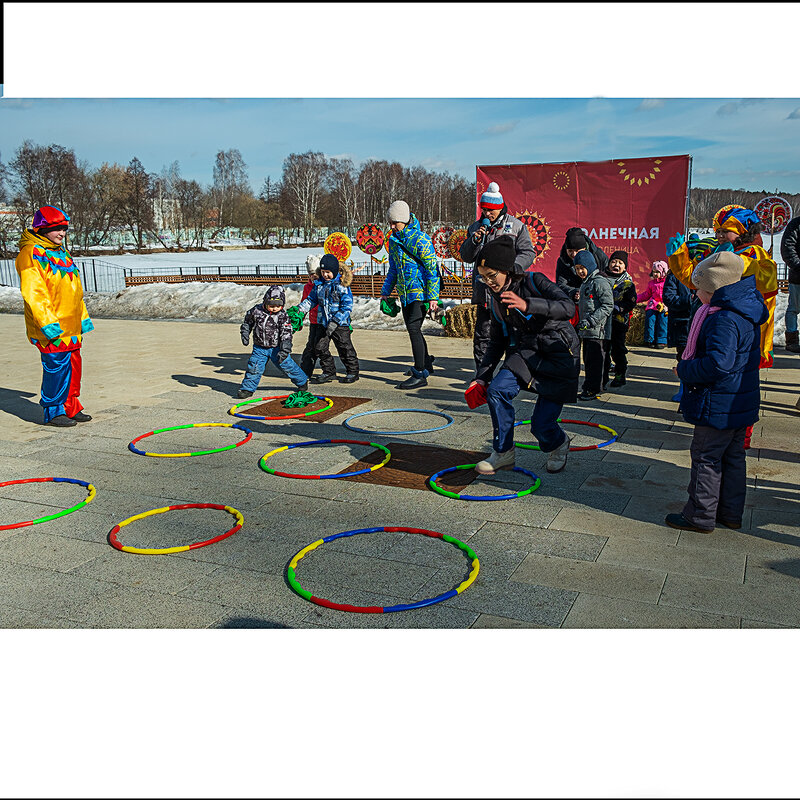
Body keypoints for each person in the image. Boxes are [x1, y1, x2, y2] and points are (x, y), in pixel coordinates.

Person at [664, 251, 767, 533]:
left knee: (706, 457)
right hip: (738, 401)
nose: (696, 293)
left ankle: (699, 515)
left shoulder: (724, 319)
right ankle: (730, 514)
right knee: (733, 458)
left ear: (715, 289)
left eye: (701, 288)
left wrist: (685, 370)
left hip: (718, 402)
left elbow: (718, 364)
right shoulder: (744, 309)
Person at [466, 235, 580, 475]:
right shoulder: (495, 299)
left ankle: (558, 444)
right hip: (527, 350)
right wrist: (482, 377)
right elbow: (496, 341)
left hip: (559, 351)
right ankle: (503, 451)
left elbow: (568, 307)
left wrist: (528, 304)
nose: (488, 282)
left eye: (492, 275)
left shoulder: (534, 281)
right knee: (497, 390)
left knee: (541, 426)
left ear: (506, 269)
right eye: (483, 277)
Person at [667, 207, 778, 367]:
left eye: (725, 231)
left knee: (727, 360)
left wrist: (734, 261)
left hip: (733, 317)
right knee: (705, 355)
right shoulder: (712, 252)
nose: (719, 235)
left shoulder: (754, 252)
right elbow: (694, 278)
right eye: (717, 231)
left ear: (743, 231)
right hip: (707, 314)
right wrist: (678, 256)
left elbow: (767, 279)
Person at [15, 206, 94, 427]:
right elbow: (34, 293)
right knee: (56, 369)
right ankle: (54, 411)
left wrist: (82, 318)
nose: (62, 234)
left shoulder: (61, 252)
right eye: (56, 229)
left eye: (64, 229)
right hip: (52, 326)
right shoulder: (31, 253)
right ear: (42, 229)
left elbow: (74, 289)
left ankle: (70, 406)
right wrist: (49, 324)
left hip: (72, 326)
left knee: (73, 367)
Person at [458, 182, 535, 369]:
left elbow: (528, 252)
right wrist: (474, 241)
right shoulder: (475, 227)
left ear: (500, 208)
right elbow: (466, 256)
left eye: (491, 210)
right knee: (483, 335)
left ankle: (510, 372)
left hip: (507, 290)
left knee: (510, 333)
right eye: (484, 209)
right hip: (484, 291)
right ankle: (482, 374)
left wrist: (514, 268)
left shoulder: (516, 226)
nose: (487, 214)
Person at [380, 200, 440, 389]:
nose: (391, 226)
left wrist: (433, 297)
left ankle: (419, 373)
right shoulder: (393, 240)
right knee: (414, 330)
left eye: (394, 222)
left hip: (420, 294)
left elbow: (432, 269)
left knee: (414, 330)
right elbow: (394, 269)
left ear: (404, 221)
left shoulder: (420, 240)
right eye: (390, 222)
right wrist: (386, 291)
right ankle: (426, 363)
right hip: (404, 294)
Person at [293, 253, 359, 384]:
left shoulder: (341, 286)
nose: (325, 275)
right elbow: (311, 300)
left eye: (328, 272)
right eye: (323, 272)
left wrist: (336, 321)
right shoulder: (319, 285)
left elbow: (347, 306)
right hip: (323, 323)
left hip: (340, 324)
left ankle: (352, 371)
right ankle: (329, 371)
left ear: (334, 271)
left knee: (344, 348)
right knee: (319, 347)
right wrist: (300, 309)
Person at [238, 286, 311, 400]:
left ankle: (302, 381)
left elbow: (286, 333)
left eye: (278, 306)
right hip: (259, 347)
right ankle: (247, 388)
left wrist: (285, 348)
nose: (274, 308)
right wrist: (245, 333)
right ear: (265, 302)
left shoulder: (282, 316)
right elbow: (247, 322)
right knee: (254, 367)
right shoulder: (256, 311)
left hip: (277, 347)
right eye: (271, 306)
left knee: (287, 365)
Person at [574, 251, 613, 401]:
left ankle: (592, 389)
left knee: (594, 362)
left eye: (582, 267)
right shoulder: (587, 282)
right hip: (588, 330)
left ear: (590, 265)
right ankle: (594, 386)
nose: (580, 271)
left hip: (598, 330)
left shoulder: (599, 281)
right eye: (577, 268)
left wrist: (591, 321)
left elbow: (608, 305)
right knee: (589, 360)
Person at [601, 250, 638, 388]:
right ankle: (602, 378)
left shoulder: (627, 283)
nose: (616, 265)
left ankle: (620, 374)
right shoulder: (601, 278)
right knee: (604, 350)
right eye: (614, 262)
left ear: (625, 266)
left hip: (618, 322)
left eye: (620, 263)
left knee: (618, 350)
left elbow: (631, 302)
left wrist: (619, 308)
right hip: (603, 322)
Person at [663, 269, 700, 402]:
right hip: (682, 326)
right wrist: (689, 299)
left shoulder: (704, 271)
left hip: (701, 324)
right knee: (683, 357)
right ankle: (684, 390)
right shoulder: (674, 275)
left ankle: (696, 392)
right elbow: (668, 297)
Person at [555, 227, 609, 303]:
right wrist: (574, 292)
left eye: (577, 250)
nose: (573, 254)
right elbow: (561, 285)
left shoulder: (598, 255)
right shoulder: (563, 260)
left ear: (584, 248)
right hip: (574, 301)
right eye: (570, 251)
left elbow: (608, 278)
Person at [299, 254, 325, 378]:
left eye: (315, 273)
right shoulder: (307, 287)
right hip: (314, 321)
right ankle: (305, 371)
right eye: (310, 274)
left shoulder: (324, 285)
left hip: (325, 321)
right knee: (311, 346)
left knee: (320, 347)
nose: (313, 276)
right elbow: (304, 301)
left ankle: (329, 371)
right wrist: (301, 316)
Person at [780, 213, 800, 353]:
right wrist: (798, 266)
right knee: (794, 308)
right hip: (798, 277)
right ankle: (792, 341)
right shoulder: (795, 225)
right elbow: (787, 248)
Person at [636, 261, 669, 348]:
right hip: (653, 304)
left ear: (664, 272)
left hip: (664, 305)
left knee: (663, 321)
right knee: (650, 319)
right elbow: (646, 295)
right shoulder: (651, 283)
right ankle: (650, 340)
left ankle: (661, 340)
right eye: (654, 271)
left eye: (657, 272)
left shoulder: (667, 282)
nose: (655, 274)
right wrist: (636, 299)